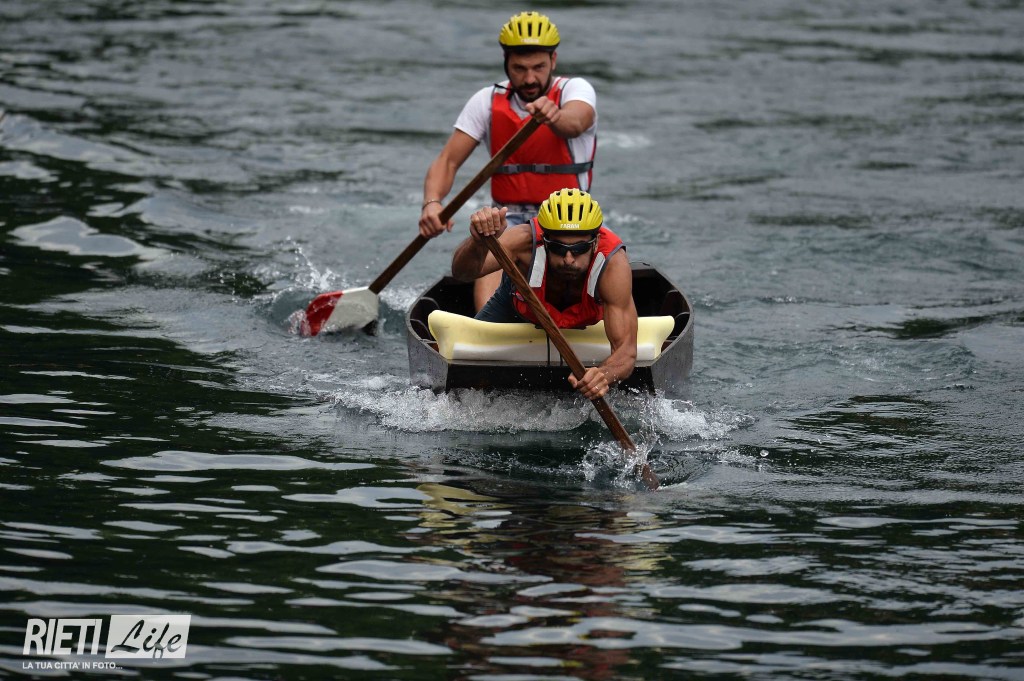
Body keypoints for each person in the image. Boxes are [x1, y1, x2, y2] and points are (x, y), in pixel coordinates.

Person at [419, 10, 598, 311]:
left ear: (553, 60)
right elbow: (447, 161)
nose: (529, 78)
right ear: (506, 62)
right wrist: (432, 203)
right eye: (519, 68)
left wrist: (555, 116)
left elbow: (576, 122)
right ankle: (486, 325)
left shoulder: (575, 91)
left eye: (538, 67)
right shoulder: (485, 102)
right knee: (492, 241)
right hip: (509, 217)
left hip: (569, 217)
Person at [451, 189, 637, 401]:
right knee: (465, 358)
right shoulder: (522, 241)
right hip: (516, 308)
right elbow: (462, 273)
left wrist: (603, 375)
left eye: (579, 248)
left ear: (595, 242)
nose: (569, 259)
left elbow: (626, 352)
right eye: (558, 248)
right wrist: (477, 242)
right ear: (545, 240)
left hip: (588, 319)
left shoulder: (613, 264)